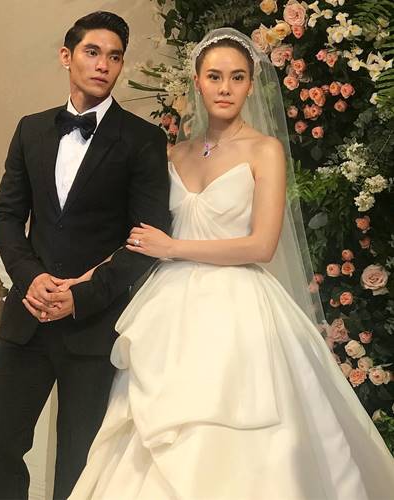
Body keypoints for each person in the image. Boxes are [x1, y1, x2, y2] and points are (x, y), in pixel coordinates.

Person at [65, 28, 394, 499]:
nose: (225, 88)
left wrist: (174, 248)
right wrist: (84, 278)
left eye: (237, 77)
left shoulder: (265, 150)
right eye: (215, 76)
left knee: (241, 434)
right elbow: (138, 237)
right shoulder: (173, 153)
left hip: (239, 306)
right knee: (152, 430)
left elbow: (261, 246)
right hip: (169, 310)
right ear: (197, 82)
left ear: (250, 85)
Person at [0, 11, 170, 500]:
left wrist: (82, 296)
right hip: (28, 315)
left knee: (80, 465)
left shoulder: (143, 140)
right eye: (92, 52)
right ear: (67, 57)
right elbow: (6, 215)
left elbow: (148, 238)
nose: (103, 64)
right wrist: (30, 278)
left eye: (114, 57)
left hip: (95, 324)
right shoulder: (31, 129)